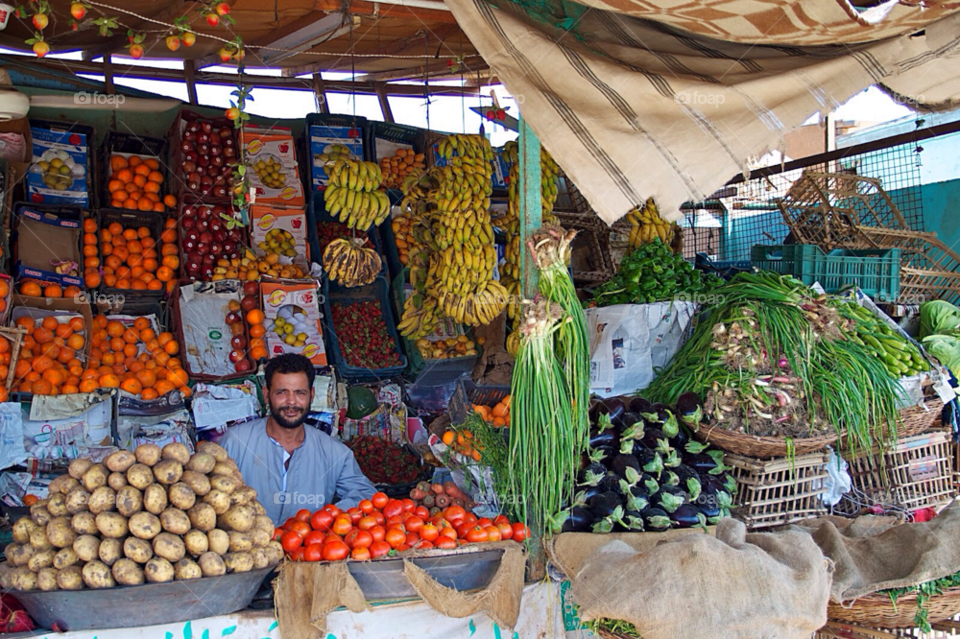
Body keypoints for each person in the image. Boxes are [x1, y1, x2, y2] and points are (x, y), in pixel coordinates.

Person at [221, 353, 375, 524]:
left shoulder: (335, 453)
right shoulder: (235, 442)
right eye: (282, 392)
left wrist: (327, 517)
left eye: (299, 393)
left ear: (311, 395)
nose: (291, 402)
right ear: (266, 395)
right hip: (244, 547)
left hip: (309, 548)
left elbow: (364, 496)